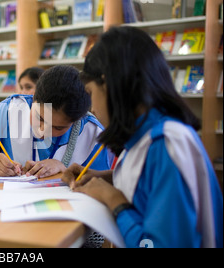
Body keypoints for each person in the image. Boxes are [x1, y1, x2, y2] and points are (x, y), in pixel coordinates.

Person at [61, 27, 223, 248]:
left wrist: (113, 199)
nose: (93, 109)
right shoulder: (147, 135)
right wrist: (103, 177)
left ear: (107, 84)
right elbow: (147, 183)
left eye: (90, 93)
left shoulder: (167, 144)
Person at [0, 65, 113, 178]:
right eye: (40, 117)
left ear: (79, 119)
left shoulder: (93, 134)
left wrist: (64, 169)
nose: (42, 129)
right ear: (33, 99)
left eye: (58, 127)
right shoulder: (9, 111)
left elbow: (102, 186)